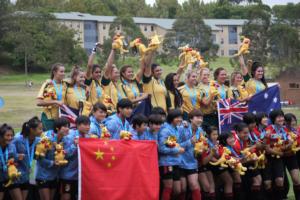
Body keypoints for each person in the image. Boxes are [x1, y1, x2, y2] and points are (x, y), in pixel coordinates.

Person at [13, 117, 43, 200]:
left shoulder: (39, 141)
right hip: (16, 176)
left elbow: (35, 158)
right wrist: (16, 156)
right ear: (31, 130)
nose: (42, 131)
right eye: (40, 129)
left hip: (27, 177)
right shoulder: (18, 139)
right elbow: (8, 151)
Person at [264, 110, 292, 200]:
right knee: (267, 183)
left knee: (280, 181)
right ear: (273, 119)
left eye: (282, 116)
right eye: (278, 117)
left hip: (278, 158)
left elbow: (288, 144)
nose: (281, 119)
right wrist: (280, 152)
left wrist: (289, 144)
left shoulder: (285, 129)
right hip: (267, 159)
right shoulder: (268, 129)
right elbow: (267, 149)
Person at [158, 109, 185, 200]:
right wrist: (177, 150)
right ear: (171, 118)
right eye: (177, 117)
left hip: (175, 162)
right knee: (168, 188)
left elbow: (170, 145)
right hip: (166, 163)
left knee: (177, 190)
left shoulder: (175, 128)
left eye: (181, 117)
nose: (180, 119)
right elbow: (161, 148)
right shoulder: (165, 130)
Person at [179, 109, 204, 200]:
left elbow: (201, 144)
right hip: (180, 162)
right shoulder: (182, 128)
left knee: (194, 185)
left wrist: (202, 149)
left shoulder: (201, 130)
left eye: (201, 118)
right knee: (182, 188)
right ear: (190, 119)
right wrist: (189, 142)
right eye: (197, 117)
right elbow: (176, 145)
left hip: (192, 162)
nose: (200, 120)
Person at [37, 63, 66, 130]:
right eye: (61, 71)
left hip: (61, 118)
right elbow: (39, 102)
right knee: (49, 139)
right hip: (48, 118)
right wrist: (56, 102)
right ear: (54, 72)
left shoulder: (65, 84)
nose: (63, 73)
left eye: (64, 71)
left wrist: (85, 86)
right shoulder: (47, 84)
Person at [0, 124, 18, 200]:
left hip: (10, 178)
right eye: (7, 135)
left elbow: (15, 161)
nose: (10, 138)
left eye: (11, 135)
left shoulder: (12, 146)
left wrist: (14, 163)